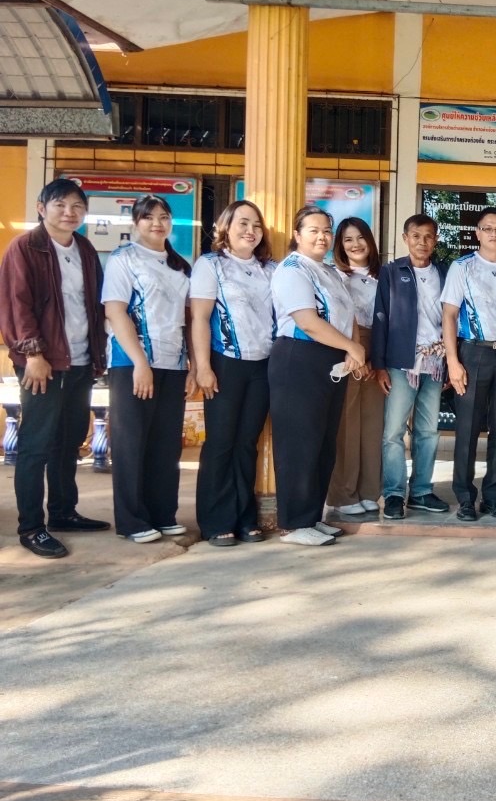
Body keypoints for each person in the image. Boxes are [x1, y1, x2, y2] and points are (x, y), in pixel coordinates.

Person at [0, 178, 109, 558]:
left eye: (77, 206)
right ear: (41, 208)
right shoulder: (25, 247)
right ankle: (31, 527)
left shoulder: (84, 248)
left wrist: (97, 356)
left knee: (69, 439)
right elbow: (15, 304)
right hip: (43, 363)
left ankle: (63, 512)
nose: (69, 212)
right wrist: (32, 354)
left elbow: (94, 305)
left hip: (79, 361)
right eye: (60, 205)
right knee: (37, 444)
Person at [269, 205, 363, 546]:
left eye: (326, 230)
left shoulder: (330, 272)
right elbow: (308, 321)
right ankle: (293, 523)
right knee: (299, 443)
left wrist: (351, 347)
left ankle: (312, 516)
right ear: (297, 235)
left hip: (331, 358)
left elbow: (348, 314)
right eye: (313, 230)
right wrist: (352, 347)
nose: (322, 236)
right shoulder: (291, 270)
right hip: (299, 357)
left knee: (322, 443)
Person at [101, 195, 194, 544]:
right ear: (136, 222)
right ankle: (132, 520)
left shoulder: (180, 266)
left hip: (173, 364)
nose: (157, 223)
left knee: (166, 445)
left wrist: (192, 365)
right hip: (133, 363)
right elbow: (115, 311)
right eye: (148, 217)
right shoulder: (123, 259)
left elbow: (187, 318)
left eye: (164, 217)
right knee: (131, 443)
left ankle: (162, 514)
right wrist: (140, 362)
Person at [190, 200, 275, 546]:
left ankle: (244, 517)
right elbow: (199, 318)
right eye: (243, 223)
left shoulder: (270, 269)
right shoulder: (211, 265)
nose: (250, 231)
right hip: (225, 363)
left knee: (246, 444)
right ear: (226, 226)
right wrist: (203, 367)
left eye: (256, 224)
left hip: (263, 365)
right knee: (221, 443)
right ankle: (215, 521)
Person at [442, 206, 496, 520]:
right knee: (468, 429)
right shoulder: (462, 267)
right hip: (472, 353)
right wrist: (453, 360)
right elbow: (449, 315)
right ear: (477, 233)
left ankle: (493, 498)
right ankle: (465, 498)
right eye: (487, 228)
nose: (493, 234)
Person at [371, 213, 449, 520]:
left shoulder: (444, 272)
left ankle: (421, 492)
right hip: (401, 364)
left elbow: (453, 317)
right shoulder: (391, 272)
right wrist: (379, 365)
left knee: (428, 431)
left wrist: (451, 362)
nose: (422, 242)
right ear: (406, 238)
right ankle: (393, 494)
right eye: (416, 236)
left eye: (428, 236)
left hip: (435, 361)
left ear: (436, 240)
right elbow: (380, 319)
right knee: (393, 432)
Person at [327, 217, 384, 517]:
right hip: (346, 347)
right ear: (340, 244)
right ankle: (344, 494)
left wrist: (377, 359)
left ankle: (369, 491)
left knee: (373, 425)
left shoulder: (383, 276)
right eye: (348, 239)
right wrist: (354, 351)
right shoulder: (333, 276)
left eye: (360, 237)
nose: (355, 244)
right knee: (346, 426)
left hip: (379, 348)